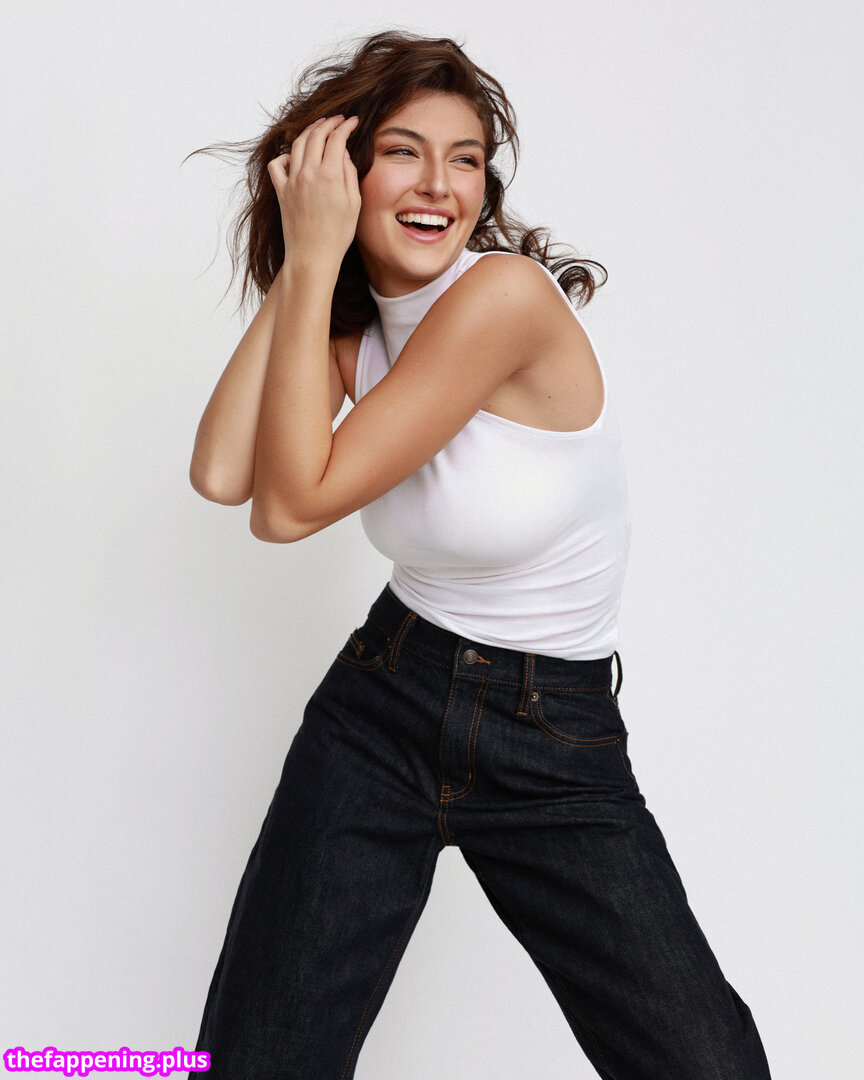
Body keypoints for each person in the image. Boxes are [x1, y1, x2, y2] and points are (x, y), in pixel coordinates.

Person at [185, 30, 772, 1080]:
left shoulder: (503, 299)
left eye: (465, 159)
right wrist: (305, 264)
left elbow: (290, 508)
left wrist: (316, 259)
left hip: (551, 733)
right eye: (402, 152)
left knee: (699, 1062)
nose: (439, 185)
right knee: (261, 1057)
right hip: (383, 702)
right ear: (343, 173)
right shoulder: (352, 327)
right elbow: (226, 476)